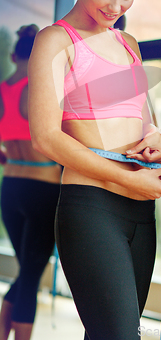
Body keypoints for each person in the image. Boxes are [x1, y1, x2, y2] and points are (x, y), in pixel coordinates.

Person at [28, 0, 161, 340]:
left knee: (123, 332)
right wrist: (124, 175)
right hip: (91, 209)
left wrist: (154, 138)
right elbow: (46, 136)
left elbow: (143, 116)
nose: (115, 6)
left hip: (140, 212)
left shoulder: (128, 45)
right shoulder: (55, 41)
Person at [0, 25, 61, 340]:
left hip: (10, 189)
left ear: (13, 55)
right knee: (30, 273)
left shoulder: (1, 89)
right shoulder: (39, 86)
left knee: (27, 270)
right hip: (43, 188)